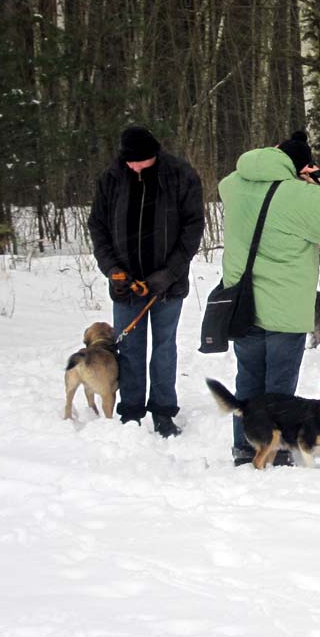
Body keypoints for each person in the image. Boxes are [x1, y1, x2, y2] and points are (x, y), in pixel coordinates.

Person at [218, 131, 320, 466]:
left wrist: (271, 159)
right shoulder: (299, 195)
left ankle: (244, 447)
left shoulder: (235, 183)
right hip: (285, 307)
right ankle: (275, 454)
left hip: (242, 305)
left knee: (247, 379)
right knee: (278, 388)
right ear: (302, 167)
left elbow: (228, 183)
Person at [89, 125, 204, 437]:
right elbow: (98, 227)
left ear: (154, 154)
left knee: (164, 349)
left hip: (168, 284)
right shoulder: (111, 178)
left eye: (141, 161)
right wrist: (112, 269)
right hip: (125, 285)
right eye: (131, 162)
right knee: (129, 349)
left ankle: (163, 410)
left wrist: (168, 274)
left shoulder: (180, 175)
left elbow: (193, 228)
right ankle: (131, 411)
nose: (136, 167)